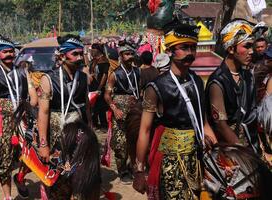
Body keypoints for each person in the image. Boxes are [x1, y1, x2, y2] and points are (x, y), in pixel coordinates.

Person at [133, 20, 216, 199]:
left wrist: (217, 155)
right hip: (171, 162)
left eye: (193, 48)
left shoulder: (196, 81)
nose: (190, 53)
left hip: (197, 158)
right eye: (184, 48)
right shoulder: (155, 87)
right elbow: (145, 130)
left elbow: (204, 122)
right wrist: (139, 171)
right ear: (170, 51)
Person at [37, 34, 93, 198]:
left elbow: (86, 106)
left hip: (78, 134)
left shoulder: (83, 78)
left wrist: (90, 129)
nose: (79, 57)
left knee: (79, 179)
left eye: (80, 54)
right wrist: (43, 144)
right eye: (74, 54)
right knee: (58, 182)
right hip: (56, 137)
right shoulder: (48, 79)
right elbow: (43, 113)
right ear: (62, 56)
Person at [0, 36, 30, 200]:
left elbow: (30, 98)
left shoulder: (23, 72)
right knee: (5, 160)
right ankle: (7, 197)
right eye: (5, 52)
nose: (10, 54)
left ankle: (21, 178)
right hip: (2, 123)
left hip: (22, 121)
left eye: (11, 51)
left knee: (32, 154)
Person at [206, 19, 261, 154]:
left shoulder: (248, 77)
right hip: (229, 149)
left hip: (251, 146)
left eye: (252, 47)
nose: (251, 51)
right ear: (231, 49)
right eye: (246, 46)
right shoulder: (218, 82)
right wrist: (244, 151)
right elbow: (221, 125)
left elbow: (252, 116)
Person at [104, 41, 140, 184]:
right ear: (121, 56)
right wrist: (115, 109)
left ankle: (133, 167)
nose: (130, 56)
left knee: (135, 140)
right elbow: (107, 95)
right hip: (120, 113)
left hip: (135, 111)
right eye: (127, 54)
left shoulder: (138, 71)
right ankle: (123, 170)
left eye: (131, 53)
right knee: (121, 143)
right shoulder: (115, 74)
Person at [89, 43, 109, 129]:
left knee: (101, 107)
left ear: (97, 50)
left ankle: (104, 124)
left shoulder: (104, 61)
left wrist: (100, 88)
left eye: (93, 49)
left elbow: (104, 76)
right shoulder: (93, 60)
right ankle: (94, 123)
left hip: (100, 87)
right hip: (92, 87)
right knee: (93, 106)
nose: (91, 51)